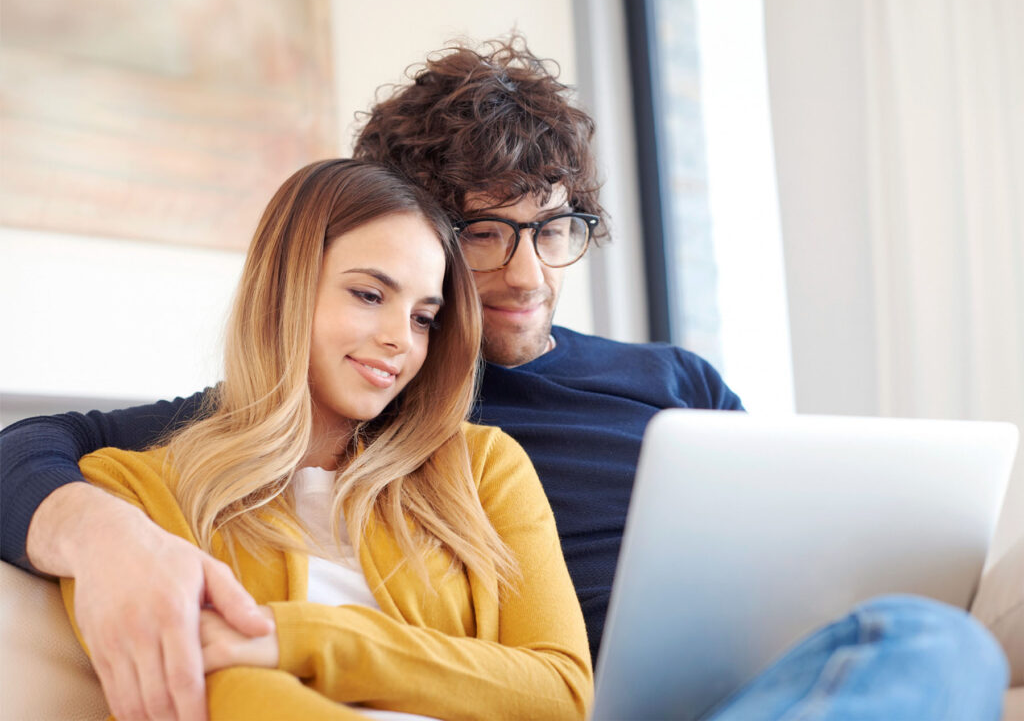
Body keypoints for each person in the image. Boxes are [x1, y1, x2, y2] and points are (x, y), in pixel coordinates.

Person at [0, 37, 1009, 720]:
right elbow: (38, 447)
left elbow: (797, 540)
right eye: (482, 234)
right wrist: (104, 538)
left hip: (762, 694)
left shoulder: (673, 383)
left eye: (552, 229)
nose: (524, 276)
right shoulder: (350, 409)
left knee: (936, 646)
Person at [57, 158, 592, 720]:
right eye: (368, 295)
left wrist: (295, 638)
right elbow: (205, 693)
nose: (398, 341)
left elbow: (561, 694)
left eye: (422, 318)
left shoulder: (482, 467)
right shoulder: (134, 493)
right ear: (286, 287)